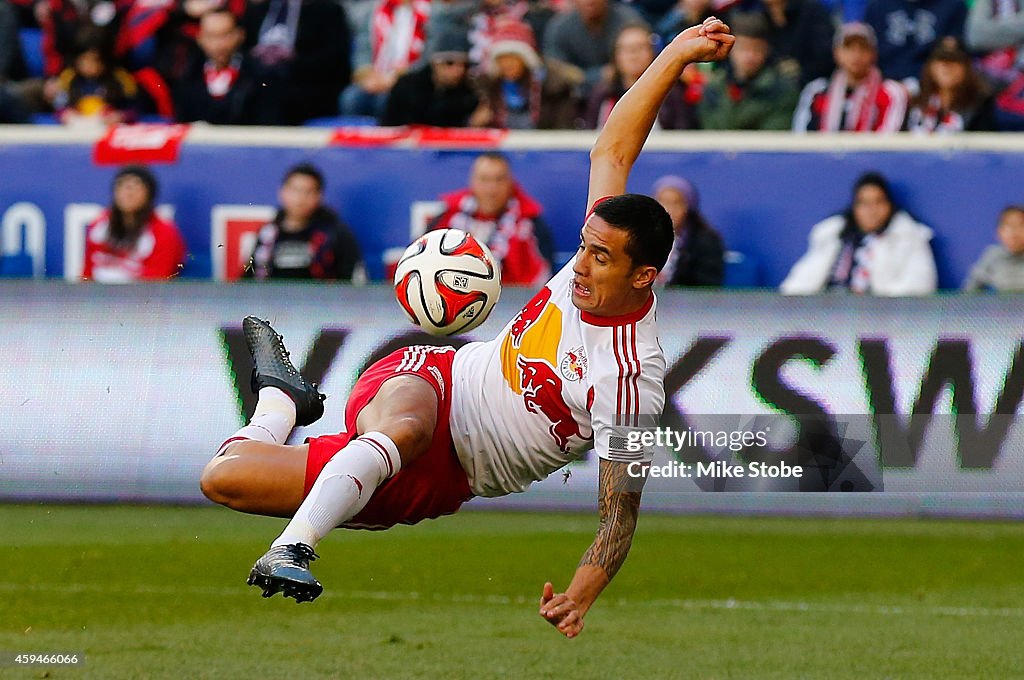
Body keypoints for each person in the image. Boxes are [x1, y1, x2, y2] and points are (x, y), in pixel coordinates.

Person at [199, 17, 736, 637]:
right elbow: (612, 149)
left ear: (644, 277)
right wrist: (677, 51)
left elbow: (620, 511)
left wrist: (582, 593)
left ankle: (279, 402)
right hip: (433, 376)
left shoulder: (628, 379)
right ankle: (293, 550)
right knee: (405, 426)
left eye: (602, 257)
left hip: (444, 474)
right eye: (584, 247)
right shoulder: (592, 259)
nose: (580, 266)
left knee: (226, 479)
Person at [780, 171, 937, 296]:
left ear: (890, 206)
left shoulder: (909, 237)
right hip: (828, 316)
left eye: (878, 202)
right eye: (865, 203)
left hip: (880, 320)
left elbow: (920, 285)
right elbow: (799, 282)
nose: (872, 211)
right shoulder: (834, 236)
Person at [426, 152, 555, 287]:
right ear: (472, 182)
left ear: (510, 183)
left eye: (499, 180)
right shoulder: (446, 220)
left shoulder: (532, 225)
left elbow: (546, 281)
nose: (491, 190)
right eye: (484, 179)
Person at [243, 163, 364, 281]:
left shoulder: (336, 234)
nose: (300, 199)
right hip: (272, 301)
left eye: (308, 192)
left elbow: (352, 283)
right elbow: (249, 280)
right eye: (295, 190)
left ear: (319, 196)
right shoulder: (267, 234)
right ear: (282, 192)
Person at [173, 8, 284, 126]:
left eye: (225, 35)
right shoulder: (187, 77)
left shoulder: (261, 76)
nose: (219, 44)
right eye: (211, 36)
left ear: (240, 35)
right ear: (200, 39)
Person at [792, 22, 908, 133]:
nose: (856, 55)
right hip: (821, 153)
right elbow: (801, 137)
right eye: (849, 48)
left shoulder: (891, 92)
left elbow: (887, 141)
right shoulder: (816, 91)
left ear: (873, 53)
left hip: (870, 153)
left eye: (863, 48)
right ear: (836, 53)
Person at [82, 165, 187, 283]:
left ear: (149, 194)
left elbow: (158, 281)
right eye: (121, 185)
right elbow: (87, 273)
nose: (127, 192)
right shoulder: (100, 226)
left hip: (137, 298)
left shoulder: (164, 233)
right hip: (97, 297)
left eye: (136, 186)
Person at [472, 19, 583, 130]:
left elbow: (563, 128)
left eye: (512, 57)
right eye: (502, 58)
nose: (507, 64)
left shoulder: (554, 88)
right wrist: (479, 123)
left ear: (526, 59)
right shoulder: (489, 90)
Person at [697, 12, 799, 130]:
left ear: (766, 50)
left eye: (756, 49)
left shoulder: (782, 91)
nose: (749, 56)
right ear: (730, 48)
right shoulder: (713, 87)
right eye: (743, 48)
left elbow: (772, 139)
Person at [584, 23, 697, 129]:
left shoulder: (672, 94)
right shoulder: (602, 95)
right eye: (626, 49)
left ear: (652, 52)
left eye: (640, 47)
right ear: (615, 56)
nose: (633, 54)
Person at [543, 0, 648, 96]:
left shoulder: (628, 19)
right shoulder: (559, 28)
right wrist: (599, 75)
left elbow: (644, 60)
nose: (590, 1)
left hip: (622, 92)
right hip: (573, 98)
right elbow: (555, 70)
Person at [380, 29, 482, 127]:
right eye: (449, 63)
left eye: (465, 65)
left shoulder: (469, 93)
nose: (459, 71)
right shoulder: (407, 87)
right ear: (435, 63)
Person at [906, 37, 996, 134]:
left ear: (966, 67)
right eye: (941, 59)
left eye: (954, 60)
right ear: (930, 66)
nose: (947, 66)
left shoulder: (981, 103)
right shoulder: (915, 98)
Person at [652, 175, 724, 286]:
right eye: (663, 202)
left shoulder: (706, 242)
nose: (669, 210)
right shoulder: (641, 237)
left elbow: (707, 288)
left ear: (688, 206)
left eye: (676, 203)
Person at [963, 206, 1024, 292]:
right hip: (1002, 305)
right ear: (999, 231)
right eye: (1008, 226)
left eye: (1020, 225)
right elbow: (970, 290)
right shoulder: (992, 255)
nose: (1014, 233)